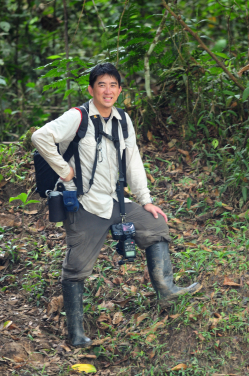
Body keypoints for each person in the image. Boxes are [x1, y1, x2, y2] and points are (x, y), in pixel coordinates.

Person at [31, 63, 201, 347]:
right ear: (91, 89)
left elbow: (133, 160)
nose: (107, 91)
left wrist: (145, 200)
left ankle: (166, 289)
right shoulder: (78, 116)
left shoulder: (123, 120)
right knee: (76, 269)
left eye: (113, 85)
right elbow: (40, 137)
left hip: (114, 202)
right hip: (83, 205)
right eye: (101, 85)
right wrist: (64, 171)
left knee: (155, 223)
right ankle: (75, 334)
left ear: (120, 90)